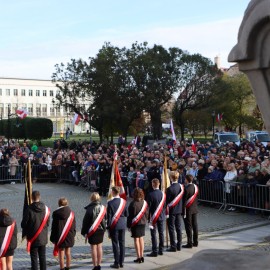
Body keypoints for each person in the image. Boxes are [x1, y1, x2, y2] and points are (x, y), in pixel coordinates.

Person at [21, 190, 50, 270]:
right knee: (42, 257)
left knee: (34, 259)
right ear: (39, 197)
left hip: (33, 237)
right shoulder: (46, 208)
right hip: (43, 237)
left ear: (32, 198)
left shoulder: (29, 209)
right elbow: (47, 223)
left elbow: (23, 224)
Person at [81, 192, 106, 270]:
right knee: (100, 247)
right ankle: (99, 265)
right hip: (101, 229)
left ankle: (95, 265)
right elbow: (105, 219)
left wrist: (83, 232)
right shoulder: (103, 207)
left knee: (93, 248)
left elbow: (85, 222)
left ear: (91, 199)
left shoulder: (89, 209)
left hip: (92, 230)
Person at [50, 197, 76, 270]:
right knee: (68, 252)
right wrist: (73, 234)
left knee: (61, 253)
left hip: (60, 236)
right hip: (69, 235)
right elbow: (74, 225)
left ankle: (62, 268)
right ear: (66, 203)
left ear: (59, 204)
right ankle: (68, 267)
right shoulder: (71, 213)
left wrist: (52, 237)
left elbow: (54, 227)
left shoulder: (55, 213)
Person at [107, 186, 128, 269]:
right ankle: (122, 262)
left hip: (114, 225)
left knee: (115, 244)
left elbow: (108, 218)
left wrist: (108, 228)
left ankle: (116, 262)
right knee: (122, 243)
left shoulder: (110, 203)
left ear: (113, 192)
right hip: (122, 224)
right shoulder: (124, 202)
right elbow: (126, 214)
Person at [127, 187, 148, 263]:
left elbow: (130, 216)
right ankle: (142, 256)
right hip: (142, 223)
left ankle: (138, 256)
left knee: (136, 240)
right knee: (141, 238)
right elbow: (147, 213)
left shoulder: (132, 204)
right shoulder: (144, 202)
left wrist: (129, 226)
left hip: (135, 224)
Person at [147, 178, 166, 257]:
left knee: (153, 234)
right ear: (159, 184)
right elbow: (164, 205)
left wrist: (148, 218)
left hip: (153, 217)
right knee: (161, 233)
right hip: (161, 215)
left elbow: (149, 207)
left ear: (152, 184)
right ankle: (161, 250)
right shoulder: (163, 194)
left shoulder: (150, 194)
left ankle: (154, 251)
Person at [166, 171, 184, 252]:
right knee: (179, 228)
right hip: (179, 210)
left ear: (170, 178)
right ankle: (179, 245)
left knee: (171, 228)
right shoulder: (181, 186)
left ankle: (173, 246)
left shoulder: (169, 189)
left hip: (172, 211)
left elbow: (167, 201)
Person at [182, 174, 199, 248]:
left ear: (186, 179)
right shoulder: (196, 187)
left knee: (188, 226)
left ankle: (189, 243)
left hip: (188, 209)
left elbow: (184, 201)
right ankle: (195, 241)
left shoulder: (186, 189)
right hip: (195, 208)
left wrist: (182, 210)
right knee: (195, 225)